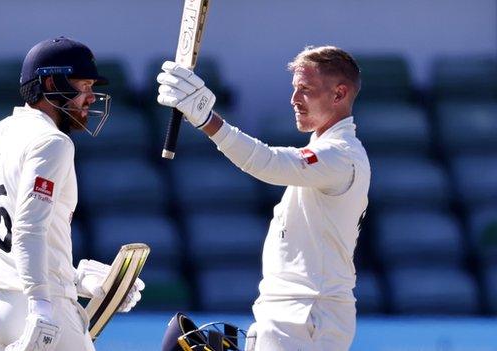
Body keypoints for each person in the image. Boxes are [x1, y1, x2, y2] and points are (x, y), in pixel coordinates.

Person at [156, 45, 369, 350]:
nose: (294, 100)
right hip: (297, 315)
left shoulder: (340, 154)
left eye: (305, 90)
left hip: (306, 316)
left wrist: (206, 118)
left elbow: (269, 161)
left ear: (339, 94)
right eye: (295, 89)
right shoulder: (332, 152)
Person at [0, 36, 144, 351]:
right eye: (82, 86)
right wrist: (41, 304)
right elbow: (28, 229)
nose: (90, 98)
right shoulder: (53, 142)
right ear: (50, 83)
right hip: (35, 306)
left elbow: (11, 235)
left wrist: (76, 279)